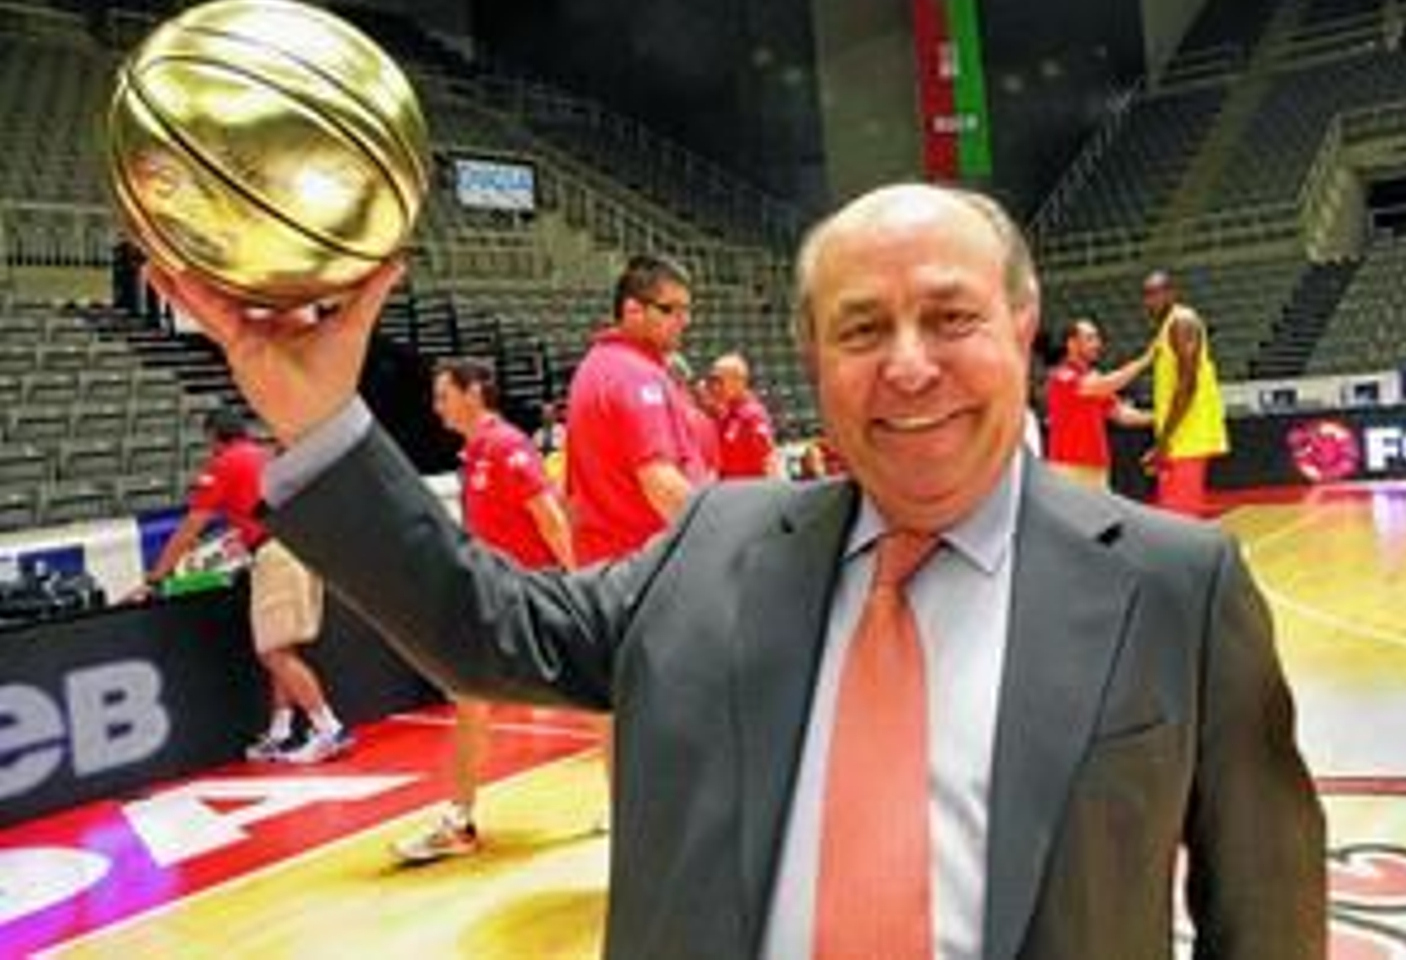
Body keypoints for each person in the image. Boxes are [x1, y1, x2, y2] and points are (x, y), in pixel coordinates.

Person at [150, 182, 1327, 959]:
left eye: (950, 317)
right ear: (812, 355)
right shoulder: (715, 542)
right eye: (862, 330)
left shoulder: (1179, 585)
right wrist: (319, 420)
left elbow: (1263, 920)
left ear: (1021, 324)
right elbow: (484, 623)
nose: (908, 367)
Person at [392, 358, 576, 864]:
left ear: (474, 393)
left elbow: (550, 518)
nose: (436, 406)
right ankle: (459, 820)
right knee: (470, 700)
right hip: (497, 595)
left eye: (444, 395)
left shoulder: (506, 446)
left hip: (534, 595)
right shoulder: (475, 453)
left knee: (597, 698)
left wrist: (577, 583)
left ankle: (639, 802)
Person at [129, 406, 351, 765]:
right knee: (282, 650)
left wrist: (156, 577)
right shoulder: (265, 455)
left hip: (276, 553)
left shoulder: (224, 464)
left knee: (273, 653)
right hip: (301, 547)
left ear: (214, 439)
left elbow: (191, 528)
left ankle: (330, 729)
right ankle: (280, 735)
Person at [564, 254, 714, 565]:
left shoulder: (593, 366)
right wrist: (722, 545)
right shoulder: (637, 375)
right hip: (650, 569)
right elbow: (661, 483)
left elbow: (572, 498)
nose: (685, 320)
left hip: (608, 571)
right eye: (669, 309)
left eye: (687, 310)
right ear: (633, 310)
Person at [1141, 270, 1230, 517]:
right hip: (1177, 438)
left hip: (1187, 436)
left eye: (1157, 293)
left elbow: (1187, 384)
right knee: (1174, 515)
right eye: (1147, 295)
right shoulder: (1168, 325)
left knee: (1182, 517)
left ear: (1172, 293)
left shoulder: (1182, 321)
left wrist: (1163, 440)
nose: (1150, 301)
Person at [1045, 317, 1153, 488]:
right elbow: (1103, 385)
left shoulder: (1093, 377)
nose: (1097, 344)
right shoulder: (1061, 376)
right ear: (1071, 344)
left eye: (1097, 338)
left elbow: (1122, 414)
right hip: (1068, 468)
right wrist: (1144, 361)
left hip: (1097, 467)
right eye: (1090, 338)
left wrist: (1160, 417)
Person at [707, 352, 780, 479]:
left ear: (738, 380)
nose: (715, 387)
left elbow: (768, 461)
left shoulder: (753, 415)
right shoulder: (724, 415)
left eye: (719, 380)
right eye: (713, 380)